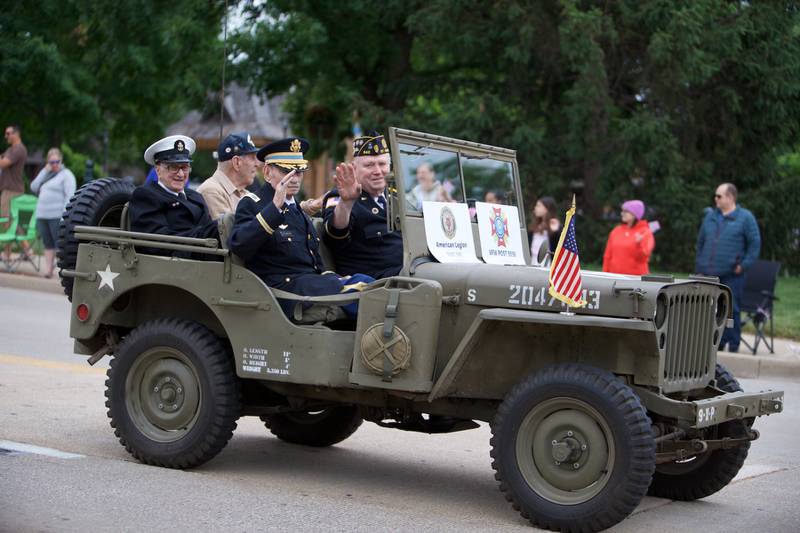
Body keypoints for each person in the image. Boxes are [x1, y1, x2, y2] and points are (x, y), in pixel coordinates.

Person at [228, 137, 372, 318]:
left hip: (309, 285)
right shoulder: (252, 204)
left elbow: (314, 262)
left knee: (378, 288)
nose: (295, 178)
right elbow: (239, 245)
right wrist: (274, 208)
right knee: (367, 289)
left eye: (299, 171)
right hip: (282, 292)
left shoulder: (296, 210)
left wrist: (347, 202)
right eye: (286, 170)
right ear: (267, 172)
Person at [322, 131, 403, 279]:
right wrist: (346, 203)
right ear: (354, 167)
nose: (377, 171)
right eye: (369, 165)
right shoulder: (341, 197)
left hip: (410, 271)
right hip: (378, 284)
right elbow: (334, 234)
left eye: (382, 164)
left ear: (390, 166)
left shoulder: (396, 196)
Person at [128, 135, 219, 258]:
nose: (181, 174)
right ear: (158, 169)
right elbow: (156, 241)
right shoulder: (146, 195)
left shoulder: (195, 196)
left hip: (208, 255)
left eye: (185, 167)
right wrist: (203, 235)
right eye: (174, 167)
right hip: (176, 261)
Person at [695, 183, 761, 353]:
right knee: (708, 309)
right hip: (708, 272)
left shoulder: (745, 217)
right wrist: (700, 265)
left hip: (732, 273)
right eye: (715, 196)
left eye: (719, 196)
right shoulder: (710, 217)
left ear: (730, 197)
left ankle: (733, 344)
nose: (715, 199)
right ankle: (715, 343)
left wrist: (743, 265)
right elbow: (701, 242)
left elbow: (754, 245)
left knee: (732, 309)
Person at [30, 148, 76, 278]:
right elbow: (33, 187)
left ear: (61, 160)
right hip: (42, 215)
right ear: (48, 162)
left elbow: (70, 195)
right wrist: (44, 171)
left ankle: (62, 272)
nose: (55, 164)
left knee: (59, 245)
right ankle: (48, 271)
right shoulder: (46, 174)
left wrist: (65, 215)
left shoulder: (66, 174)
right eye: (52, 162)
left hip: (57, 215)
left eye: (57, 161)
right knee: (48, 244)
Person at [198, 132, 260, 219]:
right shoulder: (211, 191)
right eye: (252, 158)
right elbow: (230, 231)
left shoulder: (246, 194)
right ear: (236, 162)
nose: (257, 164)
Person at [602, 199, 655, 275]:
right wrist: (605, 275)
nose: (622, 213)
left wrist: (638, 245)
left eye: (626, 211)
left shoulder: (646, 232)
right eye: (622, 211)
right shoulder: (616, 231)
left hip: (636, 280)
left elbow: (644, 258)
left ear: (635, 214)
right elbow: (607, 256)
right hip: (614, 278)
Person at [0, 125, 29, 262]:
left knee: (8, 221)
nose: (6, 136)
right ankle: (9, 253)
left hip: (12, 191)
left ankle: (26, 249)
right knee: (8, 222)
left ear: (16, 134)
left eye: (8, 133)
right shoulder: (11, 149)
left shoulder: (19, 149)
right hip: (9, 190)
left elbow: (3, 163)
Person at [528, 196, 560, 266]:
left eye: (538, 206)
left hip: (548, 265)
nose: (535, 208)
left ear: (547, 208)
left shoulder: (555, 226)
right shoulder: (534, 226)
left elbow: (558, 247)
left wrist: (556, 232)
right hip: (533, 262)